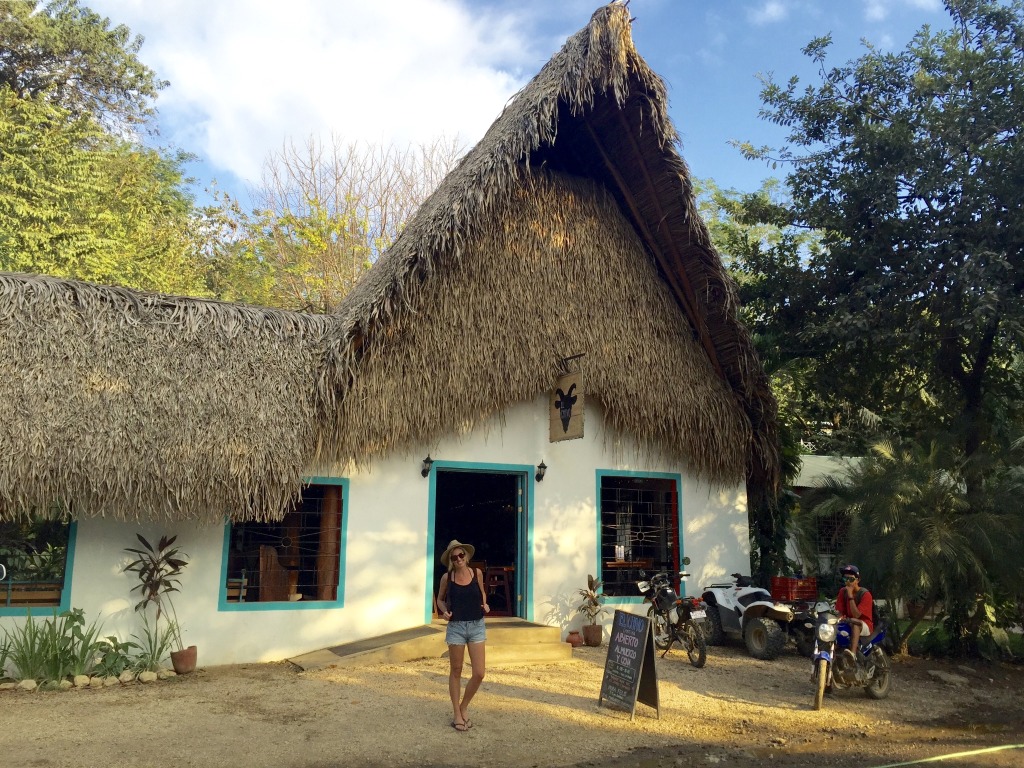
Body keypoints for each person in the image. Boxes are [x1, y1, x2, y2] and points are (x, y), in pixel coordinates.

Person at [435, 539, 490, 732]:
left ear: (466, 556)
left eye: (461, 555)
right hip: (456, 627)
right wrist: (444, 612)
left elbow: (482, 592)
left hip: (477, 625)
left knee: (479, 673)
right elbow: (440, 599)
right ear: (450, 560)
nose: (458, 559)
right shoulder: (447, 578)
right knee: (456, 671)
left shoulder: (477, 573)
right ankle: (457, 714)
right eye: (454, 557)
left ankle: (464, 706)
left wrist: (485, 604)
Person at [836, 564, 873, 662]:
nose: (847, 582)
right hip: (848, 621)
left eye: (851, 579)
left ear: (857, 580)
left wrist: (850, 595)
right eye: (845, 579)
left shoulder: (865, 594)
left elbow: (857, 615)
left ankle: (852, 654)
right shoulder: (842, 592)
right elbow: (840, 612)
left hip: (864, 624)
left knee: (855, 624)